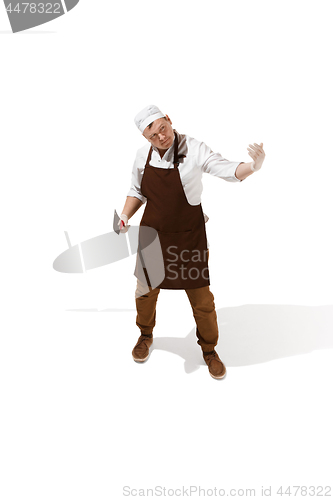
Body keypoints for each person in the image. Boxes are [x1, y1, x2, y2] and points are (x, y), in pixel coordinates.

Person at [118, 105, 265, 379]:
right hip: (152, 236)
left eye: (162, 128)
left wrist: (252, 167)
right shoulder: (142, 157)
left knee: (201, 299)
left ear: (169, 120)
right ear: (145, 139)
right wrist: (125, 216)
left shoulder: (194, 149)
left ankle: (209, 350)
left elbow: (226, 169)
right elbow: (136, 191)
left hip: (189, 237)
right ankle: (145, 335)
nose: (161, 137)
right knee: (145, 292)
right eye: (152, 135)